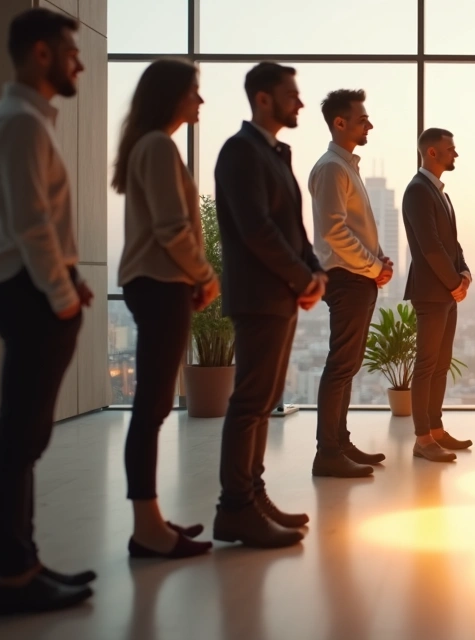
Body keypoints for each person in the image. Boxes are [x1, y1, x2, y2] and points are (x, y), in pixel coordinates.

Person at [0, 8, 94, 616]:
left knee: (24, 438)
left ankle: (23, 565)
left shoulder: (27, 120)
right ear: (42, 54)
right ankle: (13, 580)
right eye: (71, 51)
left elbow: (39, 223)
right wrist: (62, 293)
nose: (78, 61)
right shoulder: (21, 123)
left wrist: (69, 279)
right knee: (19, 440)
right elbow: (31, 226)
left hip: (30, 288)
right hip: (27, 293)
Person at [212, 62, 326, 548]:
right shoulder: (240, 152)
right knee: (250, 403)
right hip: (260, 295)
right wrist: (302, 276)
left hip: (279, 293)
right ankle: (235, 507)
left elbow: (292, 227)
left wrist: (313, 270)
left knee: (263, 401)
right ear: (263, 99)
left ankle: (253, 497)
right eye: (291, 95)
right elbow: (255, 228)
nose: (300, 103)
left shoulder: (274, 152)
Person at [113, 59, 219, 559]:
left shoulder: (154, 145)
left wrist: (189, 278)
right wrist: (204, 274)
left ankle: (150, 520)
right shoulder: (157, 146)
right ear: (173, 96)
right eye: (194, 92)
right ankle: (146, 528)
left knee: (153, 407)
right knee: (151, 407)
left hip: (160, 282)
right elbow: (172, 230)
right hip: (158, 283)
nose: (200, 101)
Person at [309, 88, 390, 479]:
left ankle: (339, 442)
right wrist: (375, 267)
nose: (369, 124)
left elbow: (353, 228)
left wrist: (378, 261)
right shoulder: (331, 169)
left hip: (357, 277)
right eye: (362, 119)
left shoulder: (345, 168)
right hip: (347, 279)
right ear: (340, 123)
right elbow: (334, 232)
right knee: (341, 365)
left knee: (348, 364)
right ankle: (328, 453)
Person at [403, 128, 472, 463]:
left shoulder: (440, 193)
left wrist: (465, 272)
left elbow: (451, 242)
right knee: (427, 365)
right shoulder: (417, 191)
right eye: (450, 149)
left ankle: (437, 429)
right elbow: (429, 246)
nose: (455, 154)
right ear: (432, 152)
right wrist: (453, 283)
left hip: (446, 292)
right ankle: (422, 439)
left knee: (441, 364)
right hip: (432, 293)